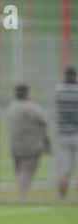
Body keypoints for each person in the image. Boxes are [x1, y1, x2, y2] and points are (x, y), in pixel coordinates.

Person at [7, 84, 50, 199]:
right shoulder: (31, 107)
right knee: (28, 169)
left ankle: (21, 190)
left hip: (15, 144)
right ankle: (23, 193)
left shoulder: (12, 106)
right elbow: (45, 120)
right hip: (31, 145)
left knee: (19, 169)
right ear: (26, 94)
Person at [55, 65, 78, 200]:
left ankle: (62, 195)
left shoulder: (59, 92)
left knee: (64, 168)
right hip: (77, 132)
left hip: (63, 133)